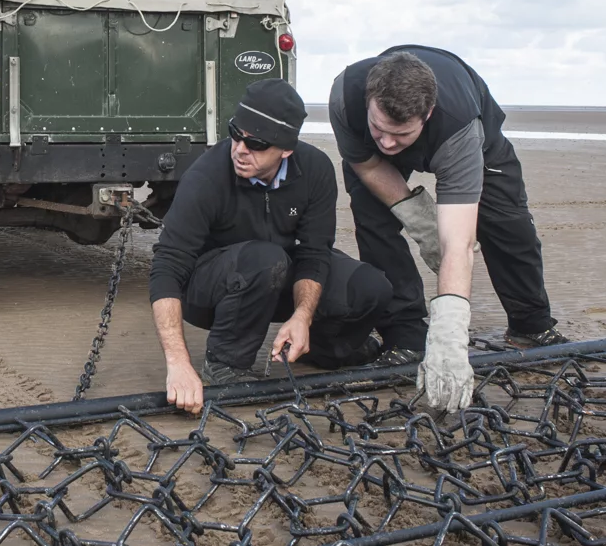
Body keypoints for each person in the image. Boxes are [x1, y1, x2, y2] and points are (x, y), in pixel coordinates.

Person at [329, 46, 565, 413]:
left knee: (508, 225)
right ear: (368, 101)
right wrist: (418, 217)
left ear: (427, 115)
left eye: (401, 134)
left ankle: (530, 325)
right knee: (373, 221)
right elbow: (371, 166)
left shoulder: (458, 127)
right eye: (379, 128)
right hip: (372, 164)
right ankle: (404, 336)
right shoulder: (345, 96)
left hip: (478, 144)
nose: (388, 142)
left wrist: (449, 336)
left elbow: (458, 242)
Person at [151, 79, 394, 414]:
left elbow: (313, 253)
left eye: (256, 144)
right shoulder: (206, 176)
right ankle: (225, 364)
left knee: (371, 287)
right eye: (235, 133)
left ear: (286, 149)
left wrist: (302, 316)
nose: (239, 149)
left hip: (277, 276)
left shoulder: (316, 170)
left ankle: (323, 350)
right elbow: (167, 267)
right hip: (211, 288)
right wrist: (178, 363)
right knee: (267, 259)